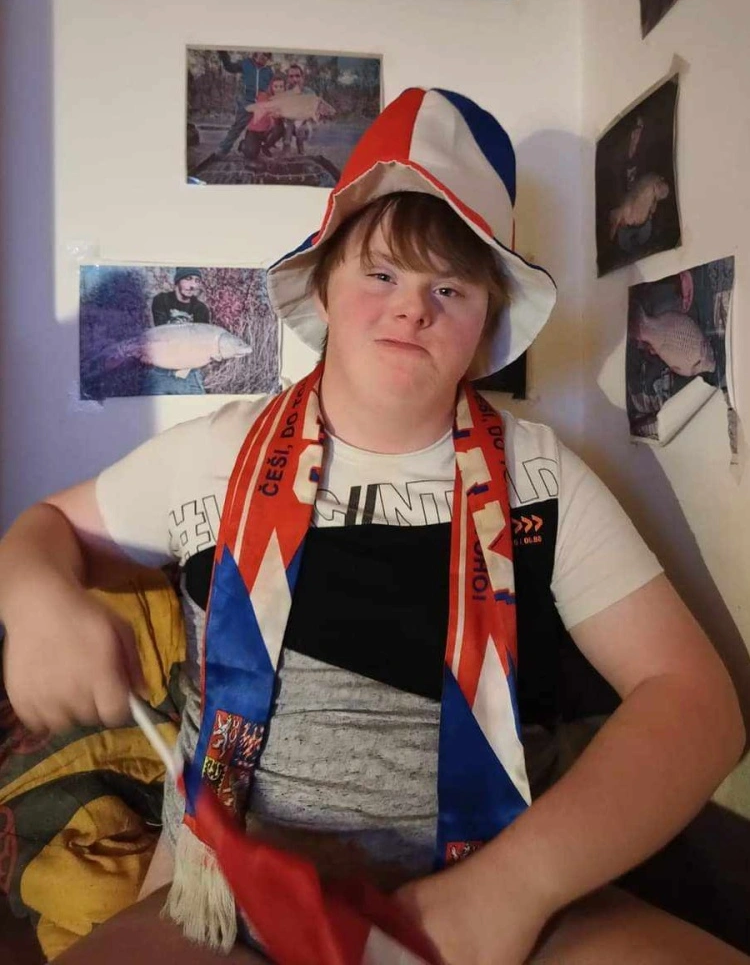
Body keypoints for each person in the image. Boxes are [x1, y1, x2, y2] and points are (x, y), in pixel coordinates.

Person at [0, 89, 746, 965]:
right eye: (382, 274)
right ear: (323, 286)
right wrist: (36, 595)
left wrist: (515, 888)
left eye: (449, 287)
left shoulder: (543, 479)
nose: (412, 308)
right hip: (229, 905)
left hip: (490, 894)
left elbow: (697, 704)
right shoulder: (212, 455)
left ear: (487, 325)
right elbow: (46, 526)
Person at [196, 51, 275, 173]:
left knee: (266, 128)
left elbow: (272, 88)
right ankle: (222, 150)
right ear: (256, 53)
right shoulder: (246, 64)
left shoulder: (269, 71)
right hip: (247, 102)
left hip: (262, 104)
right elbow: (229, 67)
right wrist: (223, 54)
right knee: (237, 127)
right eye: (263, 54)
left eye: (267, 56)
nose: (265, 58)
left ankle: (248, 144)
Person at [144, 268, 210, 396]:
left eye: (197, 281)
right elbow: (163, 334)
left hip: (189, 370)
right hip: (161, 368)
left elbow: (202, 342)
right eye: (188, 279)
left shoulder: (201, 309)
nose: (193, 285)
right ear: (177, 280)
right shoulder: (161, 300)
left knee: (199, 406)